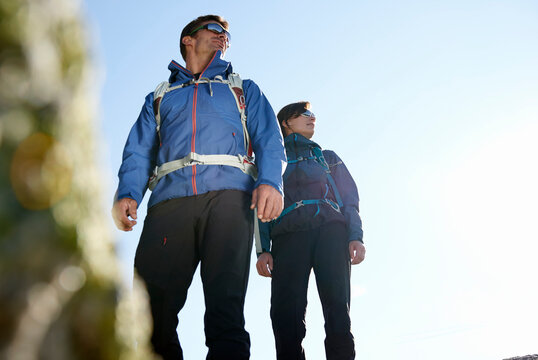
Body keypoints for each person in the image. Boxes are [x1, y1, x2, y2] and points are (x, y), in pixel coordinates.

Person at [112, 15, 286, 360]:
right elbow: (138, 151)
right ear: (188, 40)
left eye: (228, 34)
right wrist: (127, 194)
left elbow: (269, 137)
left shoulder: (242, 88)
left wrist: (270, 182)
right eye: (216, 30)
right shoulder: (160, 97)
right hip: (169, 204)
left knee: (226, 309)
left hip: (229, 201)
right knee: (149, 311)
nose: (224, 37)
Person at [256, 101, 365, 360]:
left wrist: (355, 236)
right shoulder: (273, 161)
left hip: (331, 233)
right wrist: (263, 249)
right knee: (286, 314)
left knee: (338, 309)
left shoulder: (329, 158)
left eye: (313, 114)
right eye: (304, 114)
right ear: (286, 122)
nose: (312, 117)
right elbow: (262, 206)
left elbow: (350, 199)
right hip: (288, 236)